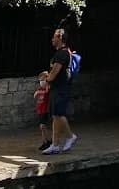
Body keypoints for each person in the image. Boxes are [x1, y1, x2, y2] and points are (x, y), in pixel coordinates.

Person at [41, 27, 77, 156]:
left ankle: (70, 136)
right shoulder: (61, 52)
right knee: (56, 115)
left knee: (59, 114)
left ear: (60, 38)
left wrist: (47, 79)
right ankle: (55, 145)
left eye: (54, 36)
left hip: (61, 88)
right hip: (57, 88)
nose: (52, 39)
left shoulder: (62, 54)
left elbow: (54, 73)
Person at [33, 71, 51, 152]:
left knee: (43, 126)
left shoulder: (48, 87)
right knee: (42, 128)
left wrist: (38, 92)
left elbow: (47, 92)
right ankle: (45, 142)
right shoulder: (40, 89)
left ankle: (49, 141)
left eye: (43, 80)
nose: (41, 82)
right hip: (40, 110)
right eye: (40, 80)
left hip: (45, 110)